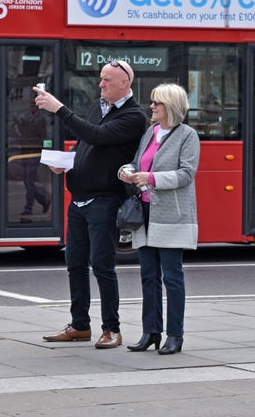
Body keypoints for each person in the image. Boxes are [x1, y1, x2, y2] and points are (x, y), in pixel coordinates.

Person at [33, 60, 146, 349]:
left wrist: (59, 108)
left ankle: (112, 329)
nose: (101, 84)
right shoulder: (99, 107)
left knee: (102, 265)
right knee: (75, 262)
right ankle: (80, 325)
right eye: (101, 79)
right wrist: (66, 163)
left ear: (125, 84)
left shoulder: (134, 116)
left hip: (105, 200)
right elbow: (85, 143)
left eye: (107, 80)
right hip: (79, 199)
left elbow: (97, 135)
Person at [118, 83, 200, 355]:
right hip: (145, 212)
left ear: (171, 107)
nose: (151, 107)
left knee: (172, 277)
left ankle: (175, 335)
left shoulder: (187, 136)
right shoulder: (150, 133)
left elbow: (186, 174)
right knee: (148, 276)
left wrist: (150, 178)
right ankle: (150, 332)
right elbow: (137, 162)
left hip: (171, 215)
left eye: (157, 103)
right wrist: (127, 171)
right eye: (152, 102)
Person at [13, 97, 51, 222]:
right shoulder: (26, 117)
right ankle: (44, 200)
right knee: (27, 182)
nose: (31, 106)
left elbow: (43, 136)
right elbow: (22, 135)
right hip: (25, 152)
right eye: (30, 104)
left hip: (34, 153)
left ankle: (28, 209)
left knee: (29, 182)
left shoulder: (41, 119)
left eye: (33, 104)